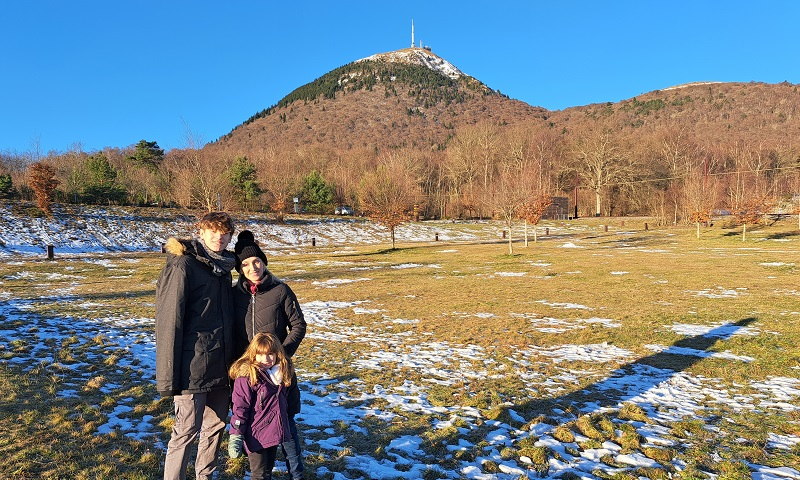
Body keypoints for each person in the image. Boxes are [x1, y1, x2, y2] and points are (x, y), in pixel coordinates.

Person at [155, 211, 238, 480]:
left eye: (225, 232)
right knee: (186, 431)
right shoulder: (183, 266)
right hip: (192, 367)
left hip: (222, 366)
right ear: (200, 232)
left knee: (215, 430)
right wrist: (168, 376)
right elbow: (169, 321)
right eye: (213, 231)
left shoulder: (224, 266)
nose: (219, 237)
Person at [232, 230, 306, 480]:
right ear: (240, 269)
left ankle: (296, 474)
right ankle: (260, 471)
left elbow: (298, 325)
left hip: (278, 372)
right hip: (250, 374)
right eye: (245, 264)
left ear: (263, 262)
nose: (252, 267)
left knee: (287, 426)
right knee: (256, 422)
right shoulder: (234, 295)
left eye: (256, 262)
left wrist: (280, 357)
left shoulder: (281, 290)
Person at [227, 333, 295, 480]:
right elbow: (240, 408)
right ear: (253, 354)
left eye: (270, 354)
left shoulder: (279, 374)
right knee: (259, 474)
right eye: (260, 354)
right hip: (256, 434)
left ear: (277, 354)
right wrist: (236, 434)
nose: (265, 359)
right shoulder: (247, 377)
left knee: (267, 472)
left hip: (274, 432)